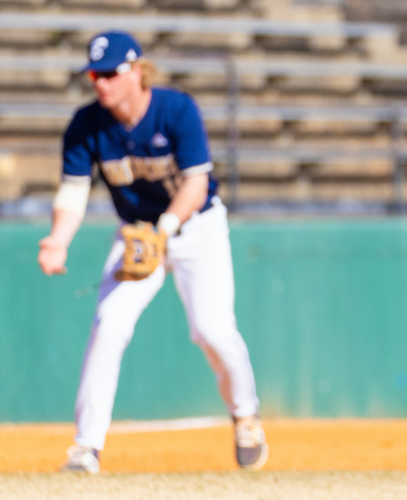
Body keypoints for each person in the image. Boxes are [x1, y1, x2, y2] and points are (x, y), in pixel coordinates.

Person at [37, 30, 268, 473]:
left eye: (110, 73)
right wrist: (58, 239)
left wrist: (166, 228)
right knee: (108, 323)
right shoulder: (86, 125)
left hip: (196, 226)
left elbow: (197, 184)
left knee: (212, 329)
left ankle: (245, 416)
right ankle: (86, 447)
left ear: (136, 71)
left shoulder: (174, 109)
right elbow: (72, 193)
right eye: (94, 74)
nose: (101, 83)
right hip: (137, 233)